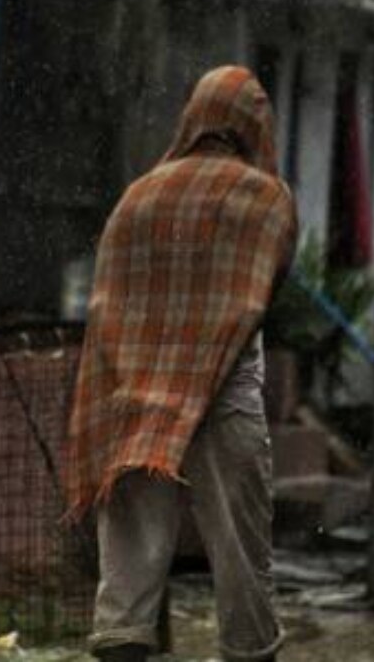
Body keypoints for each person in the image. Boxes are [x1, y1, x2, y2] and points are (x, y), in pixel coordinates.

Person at [65, 66, 298, 662]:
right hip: (223, 395)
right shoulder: (265, 198)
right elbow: (268, 289)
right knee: (240, 559)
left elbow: (109, 304)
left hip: (133, 400)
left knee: (128, 570)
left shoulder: (138, 196)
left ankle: (123, 646)